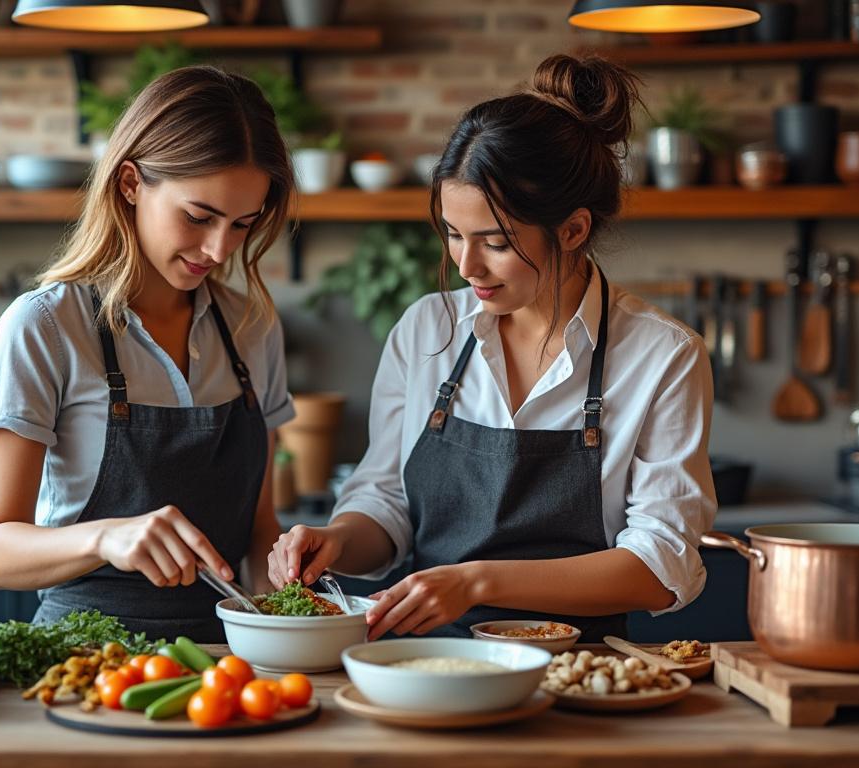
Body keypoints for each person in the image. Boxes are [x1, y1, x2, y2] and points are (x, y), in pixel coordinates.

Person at [268, 54, 716, 642]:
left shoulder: (663, 356)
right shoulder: (426, 331)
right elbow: (387, 499)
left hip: (582, 674)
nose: (466, 264)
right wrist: (339, 540)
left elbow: (662, 568)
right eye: (453, 235)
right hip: (427, 664)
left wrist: (476, 583)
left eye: (496, 242)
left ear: (574, 230)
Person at [0, 65, 296, 642]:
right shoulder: (45, 327)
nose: (219, 249)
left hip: (230, 665)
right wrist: (106, 537)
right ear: (129, 184)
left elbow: (259, 529)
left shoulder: (252, 327)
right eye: (199, 217)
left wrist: (295, 615)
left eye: (243, 224)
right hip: (85, 660)